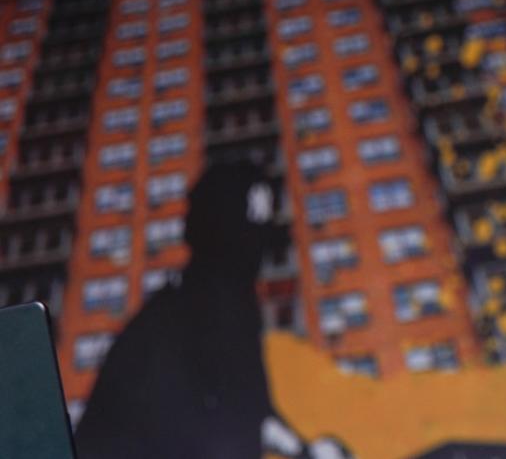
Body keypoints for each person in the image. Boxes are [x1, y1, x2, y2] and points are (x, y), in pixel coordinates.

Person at [73, 161, 352, 459]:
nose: (256, 254)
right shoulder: (201, 306)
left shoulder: (219, 302)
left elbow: (253, 411)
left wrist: (304, 449)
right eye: (248, 233)